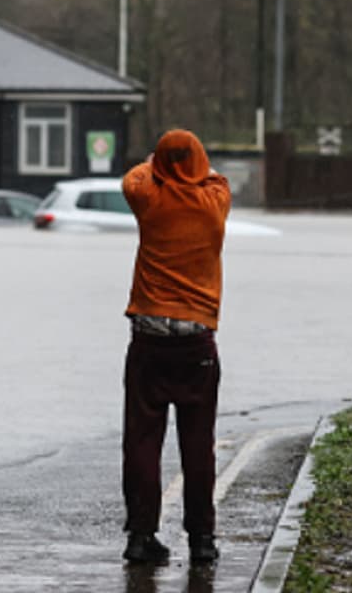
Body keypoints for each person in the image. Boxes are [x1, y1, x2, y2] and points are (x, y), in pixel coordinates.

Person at [120, 129, 230, 566]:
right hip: (196, 341)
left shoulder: (147, 199)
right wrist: (188, 166)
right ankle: (202, 540)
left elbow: (133, 177)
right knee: (198, 444)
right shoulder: (216, 201)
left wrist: (156, 161)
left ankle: (141, 536)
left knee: (142, 442)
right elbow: (211, 175)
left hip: (148, 337)